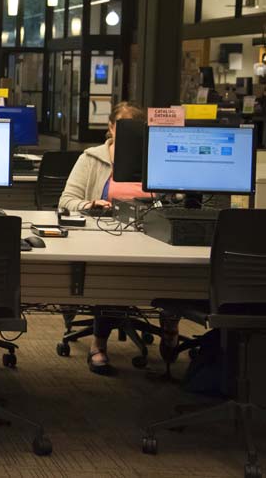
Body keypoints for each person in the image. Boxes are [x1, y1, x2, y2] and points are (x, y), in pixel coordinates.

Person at [58, 101, 177, 374]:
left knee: (176, 270)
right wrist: (90, 204)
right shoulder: (92, 158)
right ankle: (98, 344)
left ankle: (171, 326)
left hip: (154, 233)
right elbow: (66, 200)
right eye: (121, 127)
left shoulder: (154, 157)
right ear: (110, 128)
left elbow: (173, 198)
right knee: (112, 275)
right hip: (108, 234)